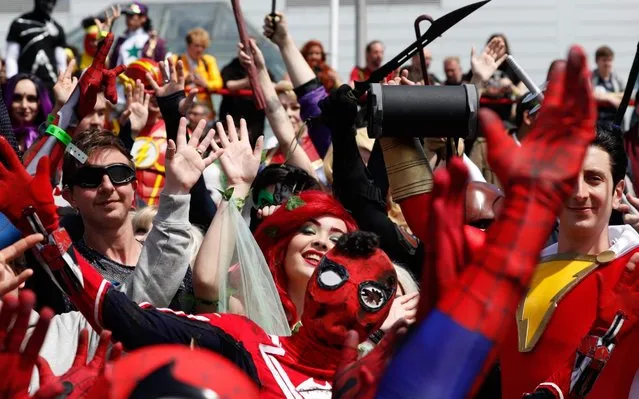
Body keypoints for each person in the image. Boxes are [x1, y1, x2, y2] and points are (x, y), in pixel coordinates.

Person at [499, 124, 639, 398]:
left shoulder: (633, 271)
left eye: (594, 178)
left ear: (618, 192)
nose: (579, 192)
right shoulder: (513, 274)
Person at [5, 0, 67, 88]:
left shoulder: (58, 29)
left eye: (53, 1)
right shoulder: (19, 23)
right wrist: (12, 84)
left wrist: (63, 84)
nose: (49, 4)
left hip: (50, 87)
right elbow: (11, 58)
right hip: (25, 85)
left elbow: (61, 63)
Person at [172, 28, 223, 115]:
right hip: (182, 105)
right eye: (196, 45)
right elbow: (169, 83)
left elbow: (219, 83)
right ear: (188, 45)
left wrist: (205, 84)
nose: (200, 49)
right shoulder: (176, 59)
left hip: (204, 108)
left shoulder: (209, 60)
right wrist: (185, 81)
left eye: (203, 46)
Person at [3, 74, 53, 152]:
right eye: (17, 98)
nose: (24, 105)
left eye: (31, 98)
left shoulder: (50, 137)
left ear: (41, 102)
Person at [109, 2, 167, 69]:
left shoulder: (155, 41)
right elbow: (112, 65)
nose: (128, 18)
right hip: (121, 78)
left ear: (143, 18)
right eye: (127, 15)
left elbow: (159, 67)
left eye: (132, 15)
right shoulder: (121, 40)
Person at [592, 45, 625, 125]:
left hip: (615, 124)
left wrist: (602, 96)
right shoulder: (591, 79)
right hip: (596, 125)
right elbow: (589, 95)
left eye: (609, 60)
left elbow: (624, 96)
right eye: (604, 60)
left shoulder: (617, 80)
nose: (607, 63)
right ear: (597, 61)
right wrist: (611, 99)